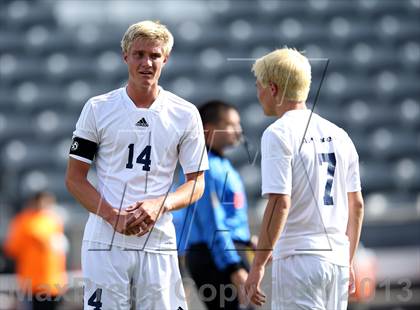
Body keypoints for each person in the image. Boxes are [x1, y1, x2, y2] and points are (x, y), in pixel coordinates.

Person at [65, 20, 208, 310]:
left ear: (165, 59)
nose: (147, 62)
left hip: (157, 238)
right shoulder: (98, 108)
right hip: (105, 238)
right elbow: (74, 179)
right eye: (139, 54)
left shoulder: (185, 113)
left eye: (154, 55)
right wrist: (112, 215)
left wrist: (160, 204)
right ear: (125, 57)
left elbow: (196, 183)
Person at [244, 48, 364, 310]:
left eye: (259, 86)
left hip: (299, 259)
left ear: (273, 89)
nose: (258, 94)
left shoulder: (277, 133)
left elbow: (280, 203)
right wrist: (348, 259)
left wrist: (257, 266)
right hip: (337, 259)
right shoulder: (339, 134)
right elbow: (356, 206)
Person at [174, 100, 254, 310]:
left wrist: (245, 240)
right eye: (230, 125)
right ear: (209, 129)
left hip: (226, 250)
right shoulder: (206, 168)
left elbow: (229, 216)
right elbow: (213, 223)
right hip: (216, 256)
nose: (238, 131)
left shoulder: (222, 164)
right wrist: (233, 267)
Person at [3, 191, 68, 310]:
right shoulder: (25, 221)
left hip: (51, 281)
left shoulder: (53, 221)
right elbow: (12, 249)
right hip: (34, 283)